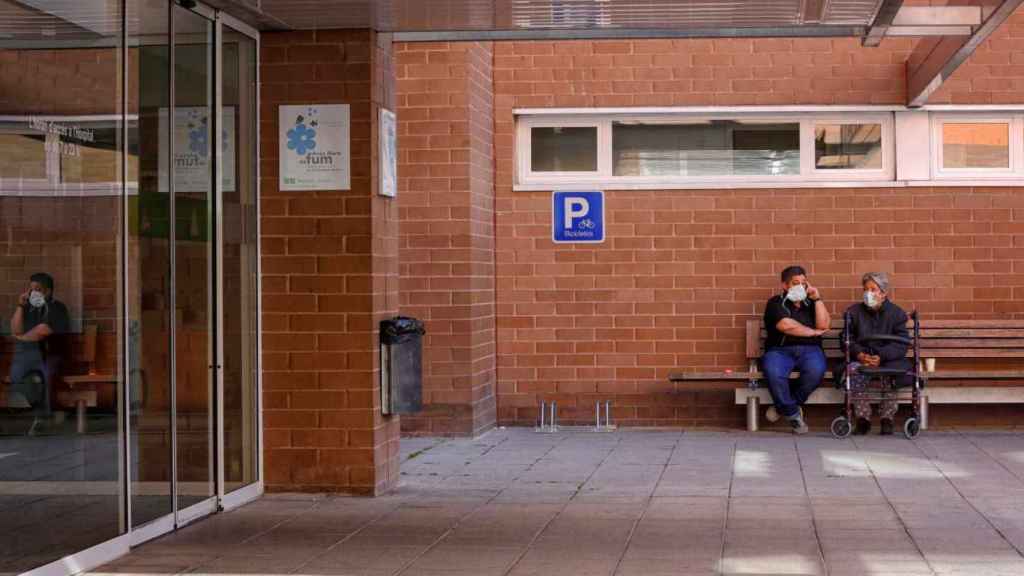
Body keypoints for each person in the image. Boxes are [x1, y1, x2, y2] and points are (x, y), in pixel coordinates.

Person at [762, 266, 830, 434]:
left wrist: (818, 299)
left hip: (810, 350)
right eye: (795, 283)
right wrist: (812, 332)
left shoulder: (811, 303)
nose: (800, 286)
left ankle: (783, 406)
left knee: (816, 371)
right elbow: (786, 325)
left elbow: (824, 325)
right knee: (773, 372)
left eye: (803, 283)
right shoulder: (775, 303)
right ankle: (793, 414)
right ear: (785, 285)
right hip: (780, 350)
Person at [842, 272, 910, 436]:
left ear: (884, 293)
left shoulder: (896, 313)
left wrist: (881, 356)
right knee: (855, 371)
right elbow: (846, 339)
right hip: (862, 358)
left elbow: (901, 344)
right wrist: (859, 355)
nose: (868, 293)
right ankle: (862, 419)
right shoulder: (853, 312)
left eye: (873, 289)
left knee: (891, 373)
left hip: (886, 360)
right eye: (866, 289)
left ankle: (887, 419)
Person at [8, 273, 69, 432]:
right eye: (31, 288)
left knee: (42, 375)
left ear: (47, 292)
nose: (33, 292)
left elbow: (43, 330)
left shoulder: (57, 307)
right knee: (19, 377)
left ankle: (43, 417)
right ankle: (40, 415)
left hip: (51, 355)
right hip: (29, 356)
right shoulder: (27, 307)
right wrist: (20, 306)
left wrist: (20, 338)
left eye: (38, 289)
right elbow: (15, 329)